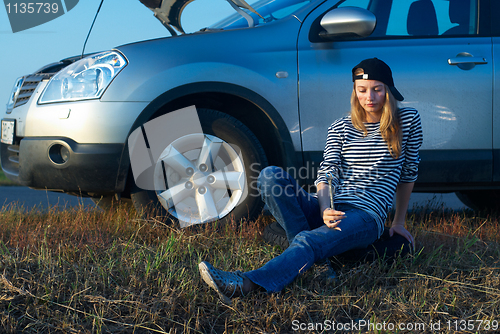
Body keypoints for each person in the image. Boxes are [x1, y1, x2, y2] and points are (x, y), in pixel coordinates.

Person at [198, 58, 423, 304]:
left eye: (377, 89)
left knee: (308, 239)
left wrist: (399, 221)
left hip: (365, 214)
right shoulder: (341, 127)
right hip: (326, 207)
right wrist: (325, 208)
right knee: (270, 175)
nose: (369, 97)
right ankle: (319, 267)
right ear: (354, 91)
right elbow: (327, 173)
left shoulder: (408, 120)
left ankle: (245, 284)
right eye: (362, 90)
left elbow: (408, 174)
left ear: (388, 90)